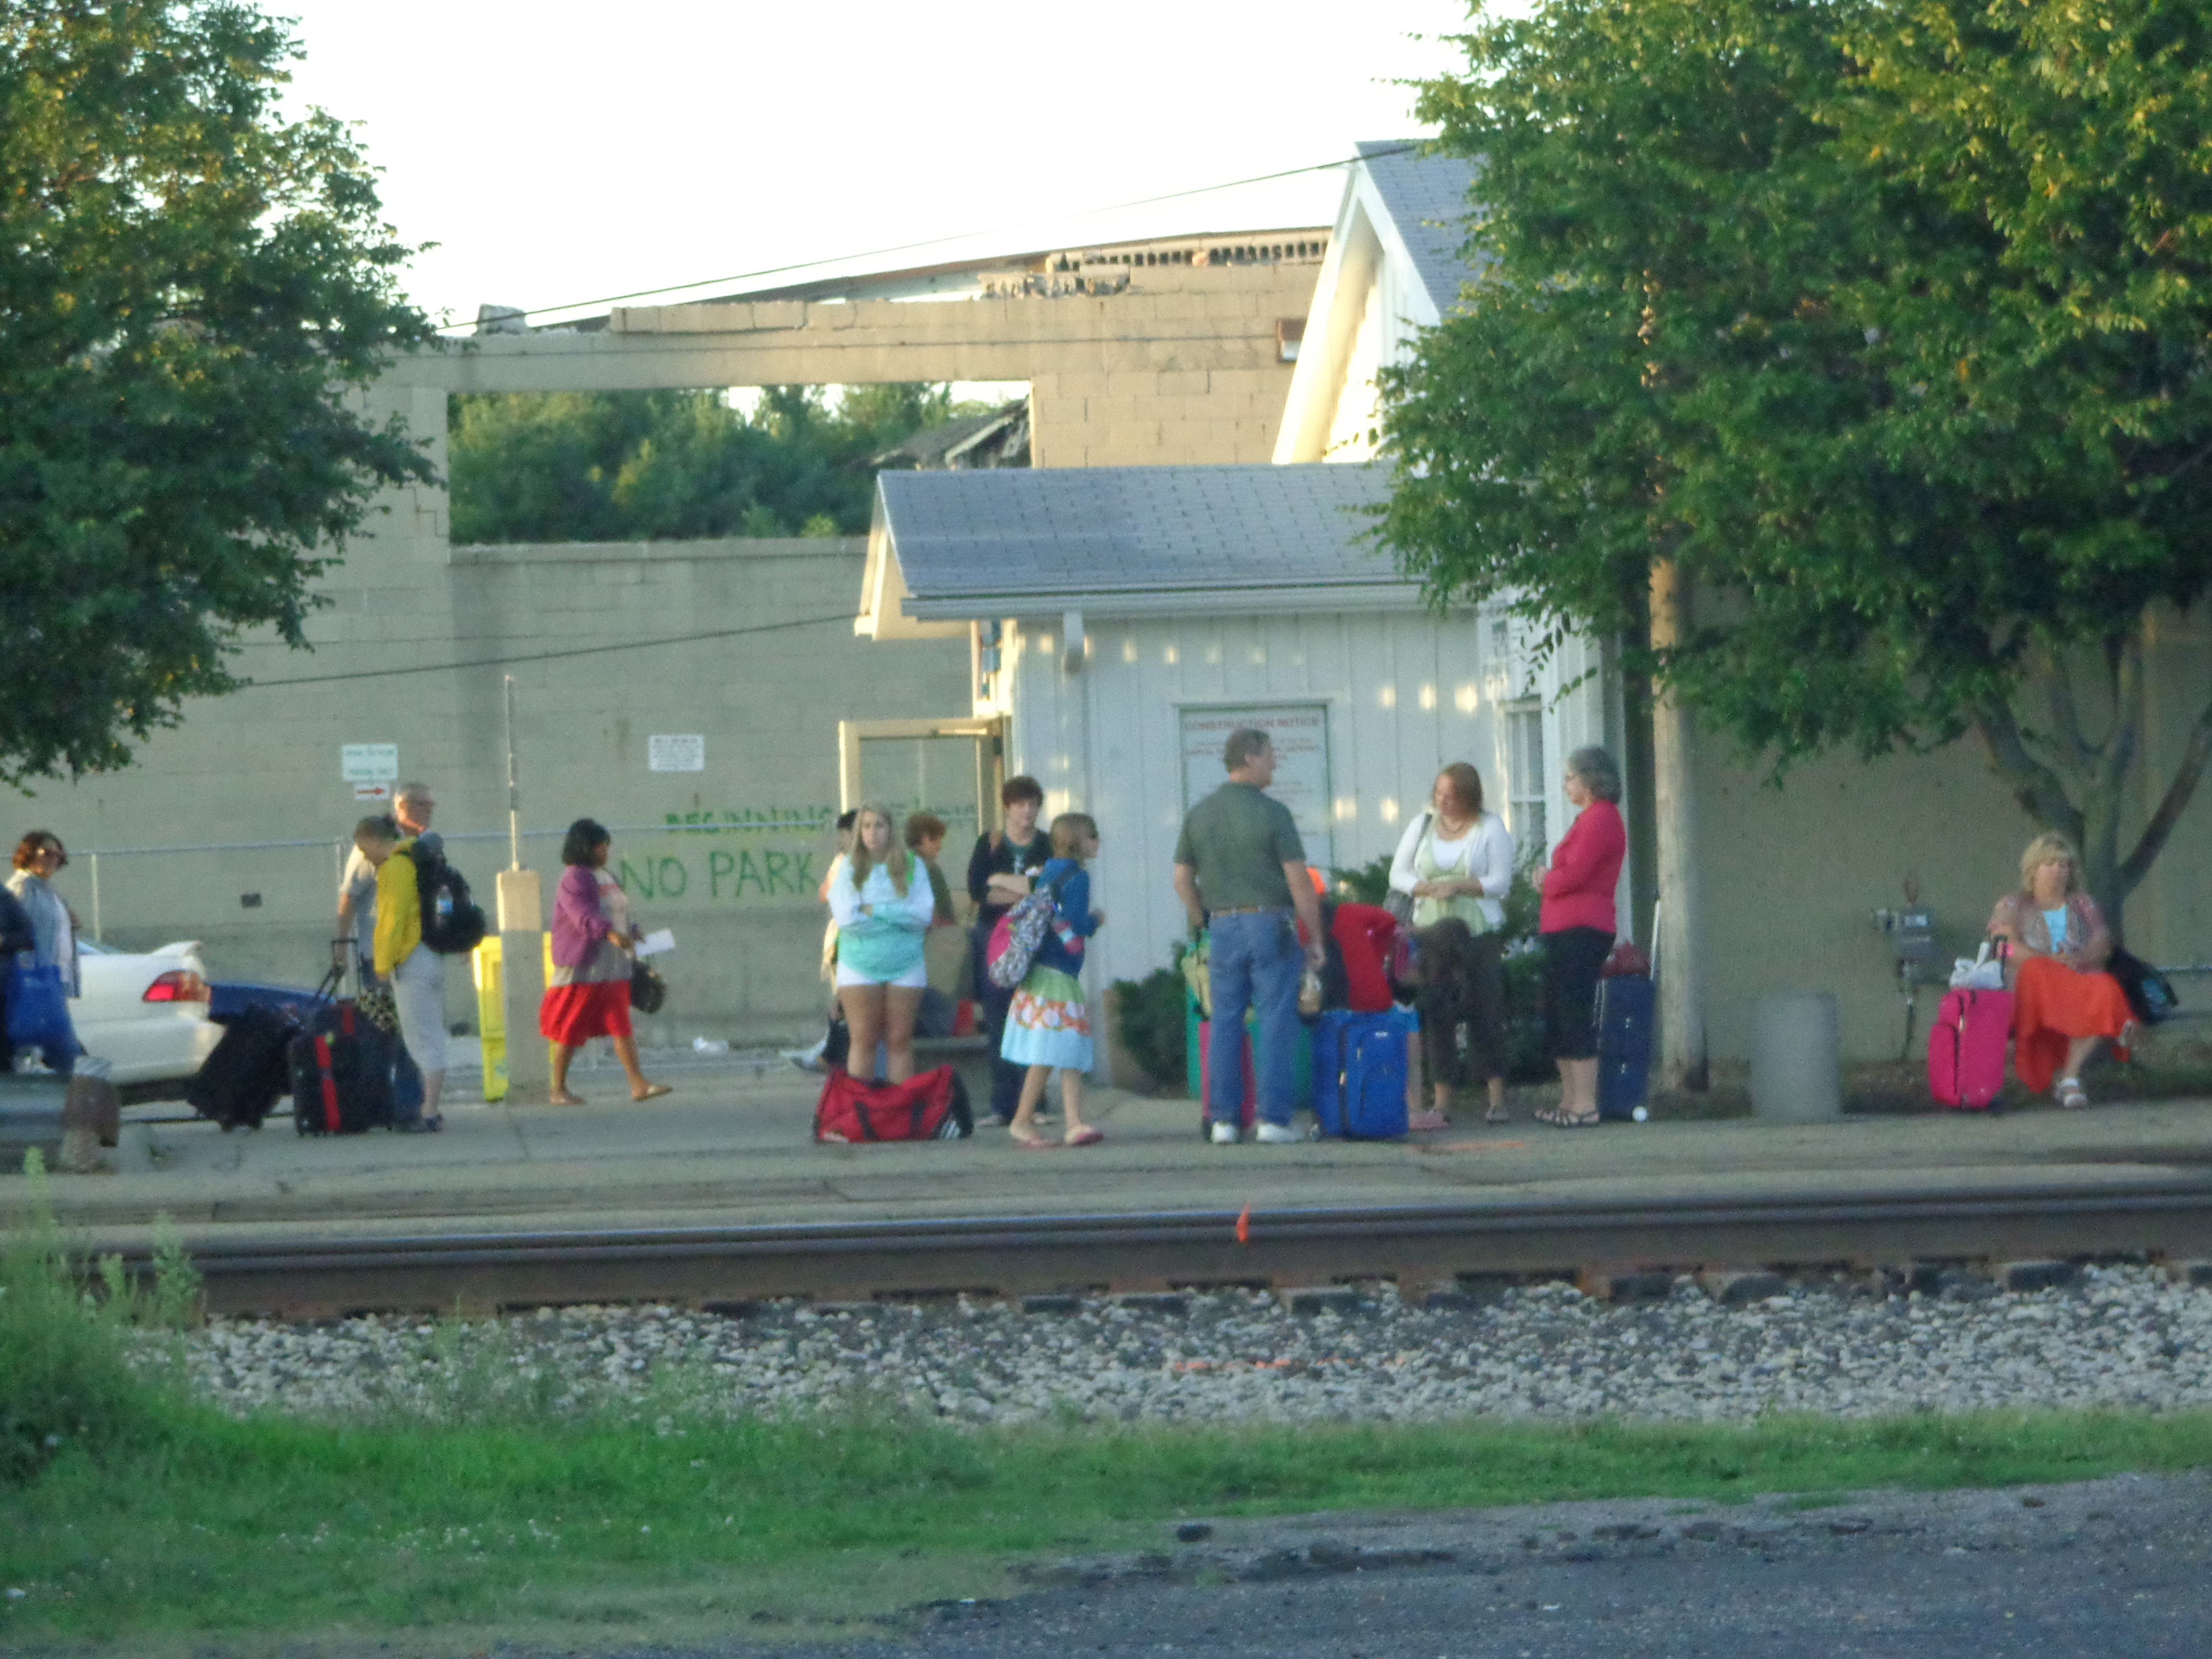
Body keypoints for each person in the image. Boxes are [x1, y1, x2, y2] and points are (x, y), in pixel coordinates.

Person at [1173, 728, 1326, 1144]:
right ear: (1250, 758)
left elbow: (1182, 877)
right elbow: (1300, 882)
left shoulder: (1200, 813)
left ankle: (1223, 1121)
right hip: (1270, 923)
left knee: (1225, 1019)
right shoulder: (1273, 813)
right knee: (1276, 1020)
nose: (1275, 763)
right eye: (1270, 755)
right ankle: (1273, 1120)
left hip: (1222, 925)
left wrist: (1200, 919)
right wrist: (1314, 937)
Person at [1389, 763, 1516, 1129]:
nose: (1443, 802)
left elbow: (1501, 880)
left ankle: (1496, 1097)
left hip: (1478, 933)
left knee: (1486, 1011)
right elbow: (1398, 873)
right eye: (1439, 794)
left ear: (1469, 797)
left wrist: (1459, 886)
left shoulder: (1489, 827)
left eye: (1452, 797)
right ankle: (1442, 1099)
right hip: (1431, 933)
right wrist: (1424, 887)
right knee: (1437, 1012)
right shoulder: (1423, 824)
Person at [1988, 833, 2135, 1108]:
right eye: (2051, 864)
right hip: (2031, 988)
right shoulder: (2014, 904)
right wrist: (2046, 961)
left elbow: (2103, 944)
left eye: (2065, 865)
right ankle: (2114, 1030)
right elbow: (2001, 947)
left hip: (2076, 982)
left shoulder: (2082, 904)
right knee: (2039, 970)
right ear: (2034, 869)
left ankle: (2070, 1078)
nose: (2059, 870)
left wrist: (2078, 957)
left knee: (2105, 988)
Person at [541, 818, 672, 1105]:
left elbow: (617, 911)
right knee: (571, 1028)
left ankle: (638, 1084)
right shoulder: (575, 878)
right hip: (584, 966)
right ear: (585, 847)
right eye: (600, 847)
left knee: (619, 1021)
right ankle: (558, 1088)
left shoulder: (606, 876)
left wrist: (630, 930)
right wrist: (611, 934)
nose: (605, 852)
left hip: (612, 965)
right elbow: (582, 916)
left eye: (606, 847)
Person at [1535, 746, 1628, 1128]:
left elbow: (1576, 875)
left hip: (1584, 928)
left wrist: (1545, 879)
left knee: (1574, 1010)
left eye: (1571, 776)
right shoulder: (1584, 819)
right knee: (1557, 1012)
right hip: (1561, 929)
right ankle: (1569, 1099)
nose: (1565, 784)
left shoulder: (1602, 819)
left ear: (1591, 780)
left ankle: (1586, 1104)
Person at [335, 781, 440, 1117]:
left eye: (431, 804)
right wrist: (340, 943)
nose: (430, 810)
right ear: (403, 807)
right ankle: (384, 1104)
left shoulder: (422, 846)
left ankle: (409, 1105)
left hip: (417, 953)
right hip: (380, 957)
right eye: (424, 804)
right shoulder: (378, 847)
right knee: (384, 1034)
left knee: (412, 1032)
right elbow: (349, 897)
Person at [1003, 813, 1106, 1148]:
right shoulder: (1079, 877)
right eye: (1093, 836)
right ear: (1079, 841)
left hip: (1040, 972)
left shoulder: (1047, 871)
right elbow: (1075, 923)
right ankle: (1030, 1120)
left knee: (1054, 1051)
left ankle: (1071, 1122)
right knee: (1064, 1047)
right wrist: (1095, 921)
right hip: (1060, 975)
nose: (1098, 842)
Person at [827, 804, 936, 1083]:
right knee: (863, 1040)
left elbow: (922, 915)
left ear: (891, 829)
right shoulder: (849, 867)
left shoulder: (913, 864)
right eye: (866, 826)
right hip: (859, 963)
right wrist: (898, 915)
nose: (872, 833)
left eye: (879, 826)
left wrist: (875, 910)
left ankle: (900, 1113)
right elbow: (848, 919)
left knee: (899, 1041)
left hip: (906, 962)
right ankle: (859, 1115)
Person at [967, 777, 1052, 1125]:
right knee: (999, 1017)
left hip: (1035, 937)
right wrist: (1024, 893)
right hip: (995, 936)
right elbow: (978, 891)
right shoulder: (990, 844)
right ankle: (1004, 1104)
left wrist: (1002, 884)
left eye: (1032, 804)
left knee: (1035, 1015)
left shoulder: (1047, 844)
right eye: (1020, 805)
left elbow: (1049, 889)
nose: (1026, 812)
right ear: (1007, 807)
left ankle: (1036, 1104)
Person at [357, 814, 450, 1130]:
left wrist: (383, 965)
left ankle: (428, 1111)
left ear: (372, 839)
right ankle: (432, 1107)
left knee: (419, 1040)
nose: (365, 856)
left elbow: (391, 922)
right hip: (430, 954)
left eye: (363, 848)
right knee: (432, 1035)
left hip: (409, 960)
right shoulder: (416, 860)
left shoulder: (395, 868)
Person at [5, 831, 84, 1075]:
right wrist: (26, 971)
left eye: (58, 854)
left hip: (53, 977)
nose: (53, 859)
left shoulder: (49, 890)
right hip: (34, 978)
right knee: (59, 1043)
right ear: (29, 854)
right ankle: (78, 1089)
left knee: (38, 1041)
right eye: (46, 853)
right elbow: (17, 931)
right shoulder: (22, 886)